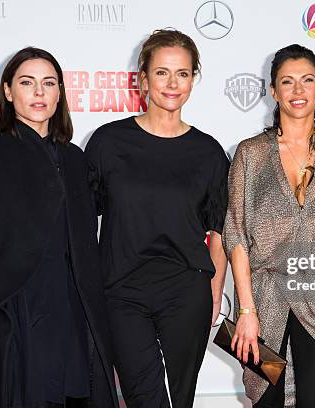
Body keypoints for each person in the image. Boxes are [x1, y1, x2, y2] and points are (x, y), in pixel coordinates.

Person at [0, 47, 118, 407]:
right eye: (27, 82)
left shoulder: (74, 159)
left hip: (71, 309)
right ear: (7, 91)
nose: (39, 92)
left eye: (49, 83)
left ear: (59, 93)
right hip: (11, 312)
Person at [85, 29, 229, 408]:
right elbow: (81, 222)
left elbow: (220, 232)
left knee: (180, 399)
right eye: (162, 72)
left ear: (193, 80)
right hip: (121, 290)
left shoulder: (209, 153)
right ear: (142, 79)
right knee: (143, 395)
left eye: (182, 73)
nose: (172, 83)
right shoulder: (107, 142)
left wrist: (214, 293)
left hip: (185, 290)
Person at [223, 44, 315, 408]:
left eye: (307, 81)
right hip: (264, 304)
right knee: (266, 399)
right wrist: (246, 312)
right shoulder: (250, 153)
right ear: (273, 91)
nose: (298, 91)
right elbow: (235, 234)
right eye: (287, 82)